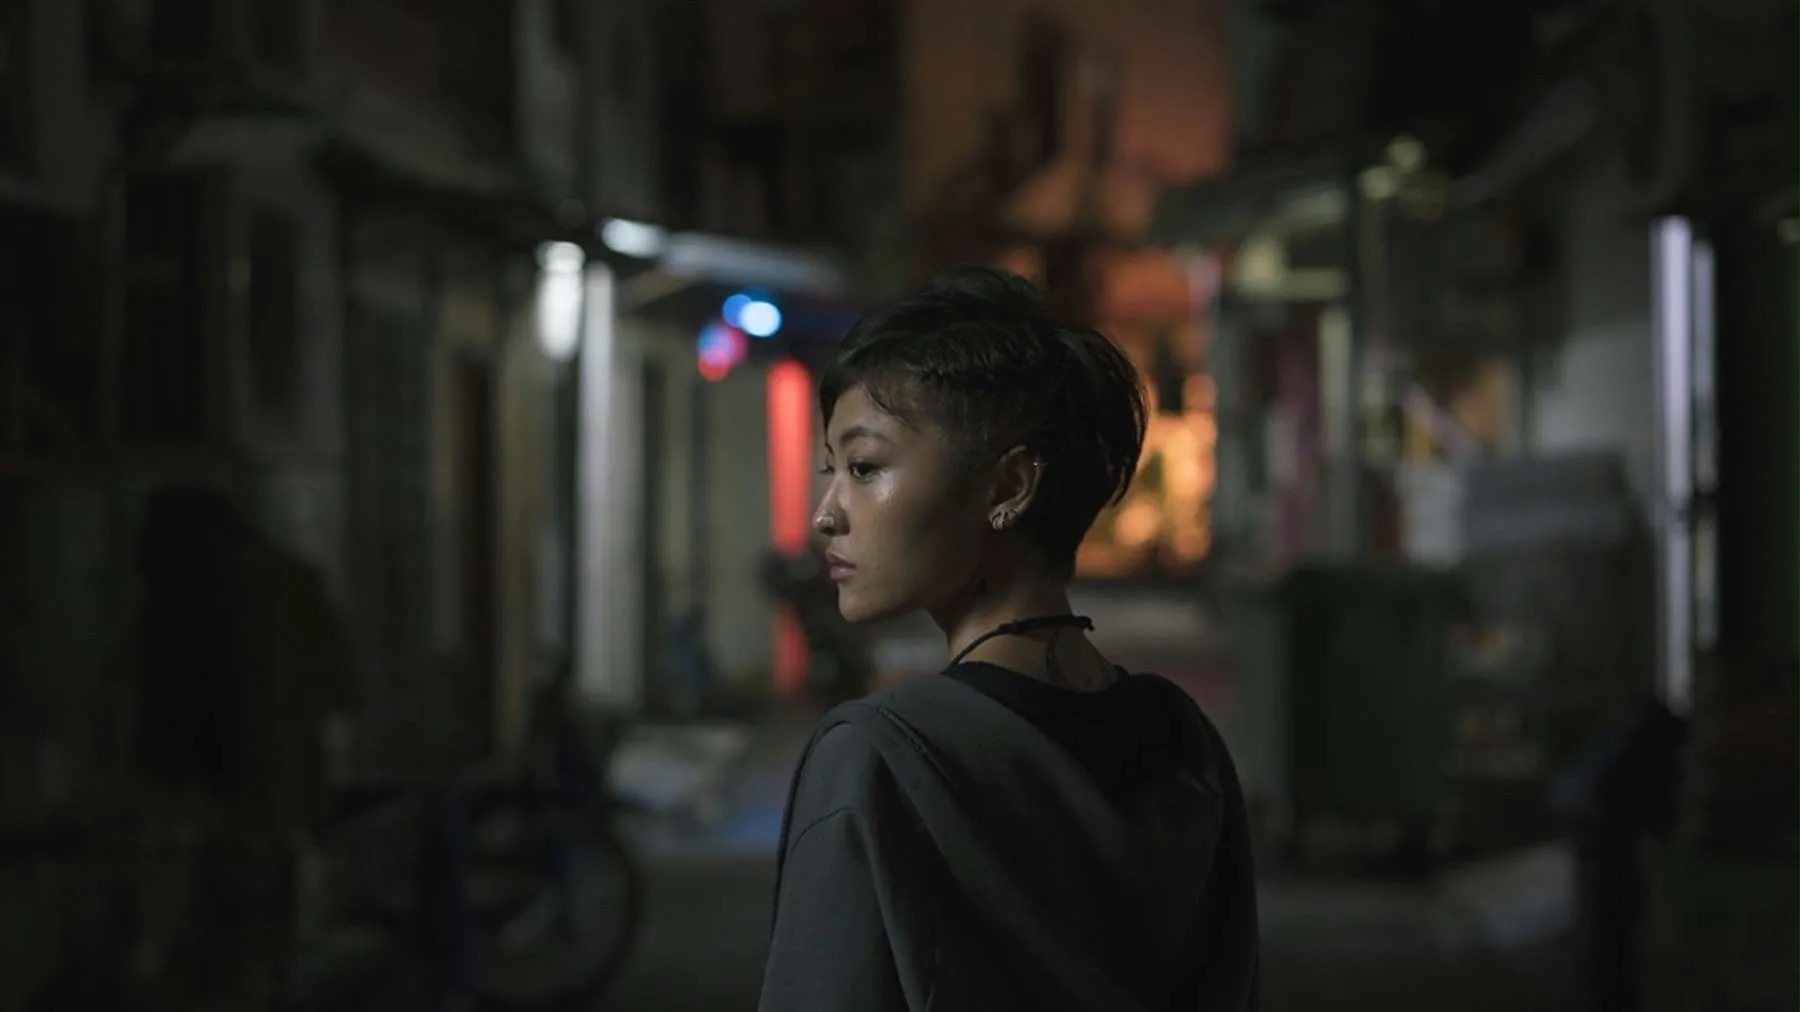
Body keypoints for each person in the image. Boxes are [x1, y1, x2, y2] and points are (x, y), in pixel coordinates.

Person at [758, 268, 1260, 1012]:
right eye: (832, 471)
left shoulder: (878, 757)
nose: (826, 514)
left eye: (863, 468)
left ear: (1008, 489)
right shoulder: (1186, 742)